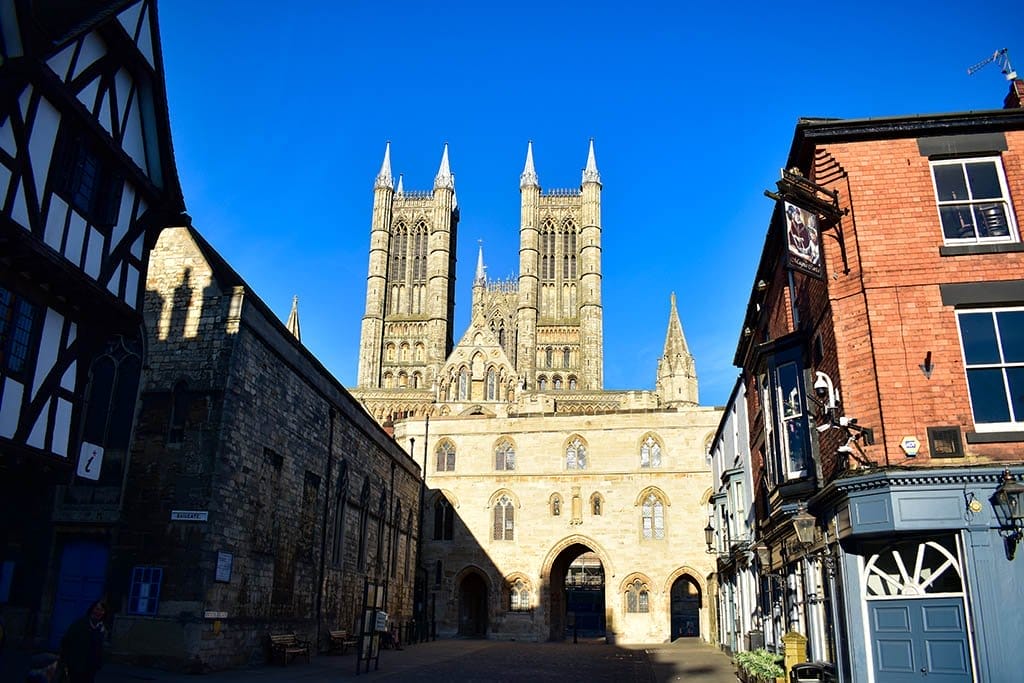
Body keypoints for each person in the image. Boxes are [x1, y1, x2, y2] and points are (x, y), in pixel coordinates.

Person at [58, 600, 106, 683]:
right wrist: (65, 661)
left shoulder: (100, 628)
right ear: (92, 610)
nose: (98, 612)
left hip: (90, 668)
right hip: (76, 665)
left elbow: (98, 648)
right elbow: (66, 641)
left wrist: (98, 663)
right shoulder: (80, 624)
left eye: (101, 610)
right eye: (97, 609)